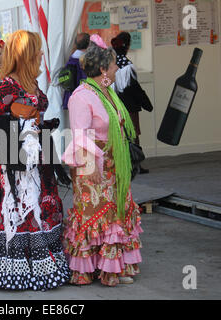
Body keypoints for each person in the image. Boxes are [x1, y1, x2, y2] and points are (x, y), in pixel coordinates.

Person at [0, 30, 70, 291]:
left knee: (43, 204)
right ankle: (19, 271)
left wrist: (42, 127)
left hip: (40, 156)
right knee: (24, 206)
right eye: (38, 50)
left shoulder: (32, 84)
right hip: (16, 160)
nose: (42, 54)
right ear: (26, 55)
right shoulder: (5, 88)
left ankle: (45, 267)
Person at [62, 34, 143, 287]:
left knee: (117, 214)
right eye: (113, 65)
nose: (117, 68)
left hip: (115, 164)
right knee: (95, 215)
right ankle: (90, 269)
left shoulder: (108, 92)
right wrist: (89, 166)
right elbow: (79, 135)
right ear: (102, 69)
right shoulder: (82, 96)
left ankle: (115, 267)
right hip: (94, 165)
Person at [111, 32, 153, 174]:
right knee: (134, 135)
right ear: (127, 46)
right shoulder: (128, 65)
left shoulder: (110, 64)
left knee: (120, 135)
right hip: (130, 107)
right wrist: (147, 104)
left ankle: (121, 164)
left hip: (115, 106)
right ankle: (137, 164)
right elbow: (135, 88)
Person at [62, 33, 90, 109]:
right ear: (88, 44)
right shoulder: (84, 61)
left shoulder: (70, 59)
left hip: (70, 96)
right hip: (82, 97)